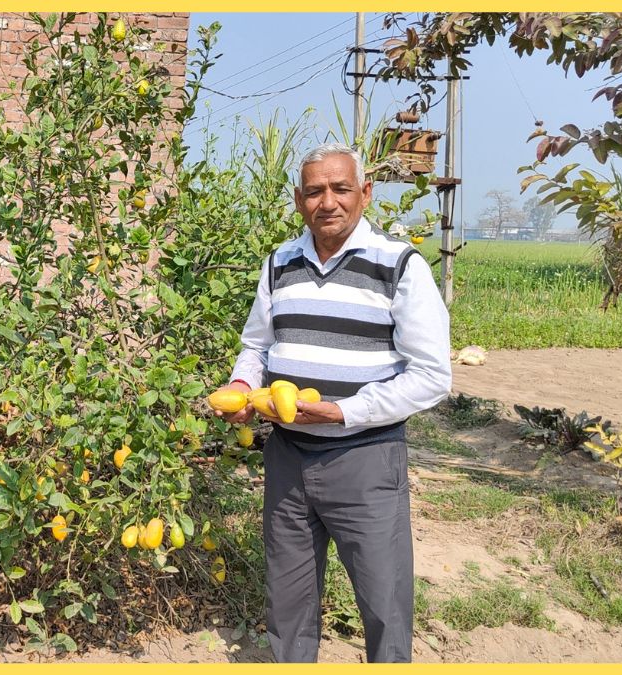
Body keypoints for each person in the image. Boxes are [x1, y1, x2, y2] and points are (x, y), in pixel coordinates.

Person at [215, 142, 452, 663]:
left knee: (383, 602)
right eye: (315, 191)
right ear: (299, 200)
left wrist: (345, 411)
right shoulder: (279, 263)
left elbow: (433, 376)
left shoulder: (400, 265)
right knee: (288, 601)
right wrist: (240, 386)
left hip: (364, 457)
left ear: (364, 193)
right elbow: (256, 346)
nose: (329, 202)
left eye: (341, 188)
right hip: (288, 456)